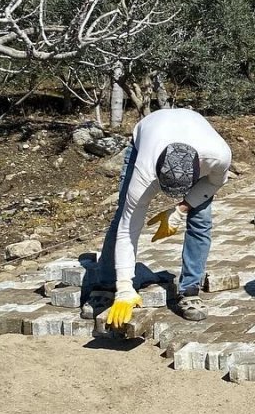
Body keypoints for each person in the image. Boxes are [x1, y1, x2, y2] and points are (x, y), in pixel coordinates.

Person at [95, 108, 232, 328]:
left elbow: (214, 183)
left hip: (194, 128)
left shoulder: (218, 156)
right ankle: (109, 285)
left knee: (201, 221)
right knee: (123, 215)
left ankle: (189, 290)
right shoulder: (145, 170)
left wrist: (181, 209)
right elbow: (128, 228)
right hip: (148, 134)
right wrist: (124, 287)